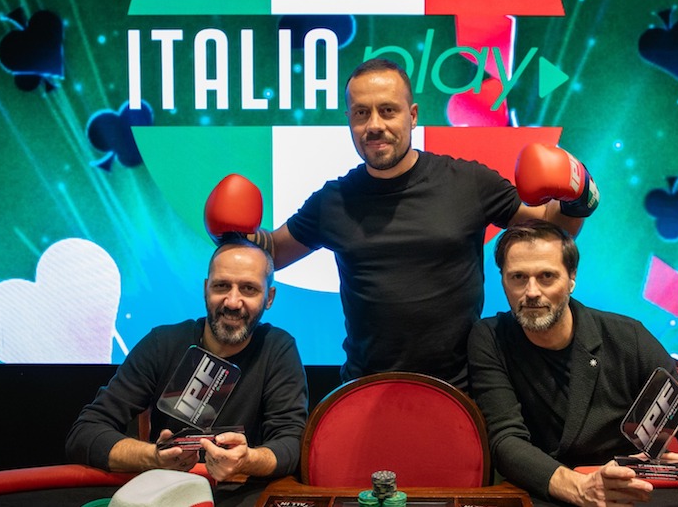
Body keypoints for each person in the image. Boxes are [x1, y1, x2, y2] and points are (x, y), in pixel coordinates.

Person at [206, 58, 600, 390]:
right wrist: (233, 234)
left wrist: (579, 190)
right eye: (361, 113)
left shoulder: (468, 183)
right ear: (349, 120)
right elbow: (272, 252)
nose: (374, 124)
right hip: (366, 386)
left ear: (412, 116)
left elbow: (555, 230)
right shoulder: (334, 201)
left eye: (387, 110)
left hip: (463, 387)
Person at [468, 220, 678, 506]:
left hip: (626, 491)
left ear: (571, 278)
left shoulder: (627, 337)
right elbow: (506, 440)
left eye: (547, 276)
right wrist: (580, 488)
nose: (532, 291)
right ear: (502, 280)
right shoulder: (490, 338)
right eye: (518, 277)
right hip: (547, 490)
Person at [66, 238, 308, 484]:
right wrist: (154, 457)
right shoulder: (163, 343)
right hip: (169, 491)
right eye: (221, 286)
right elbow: (85, 434)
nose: (233, 302)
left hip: (243, 494)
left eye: (249, 289)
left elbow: (291, 443)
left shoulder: (278, 349)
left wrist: (248, 460)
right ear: (206, 289)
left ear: (269, 297)